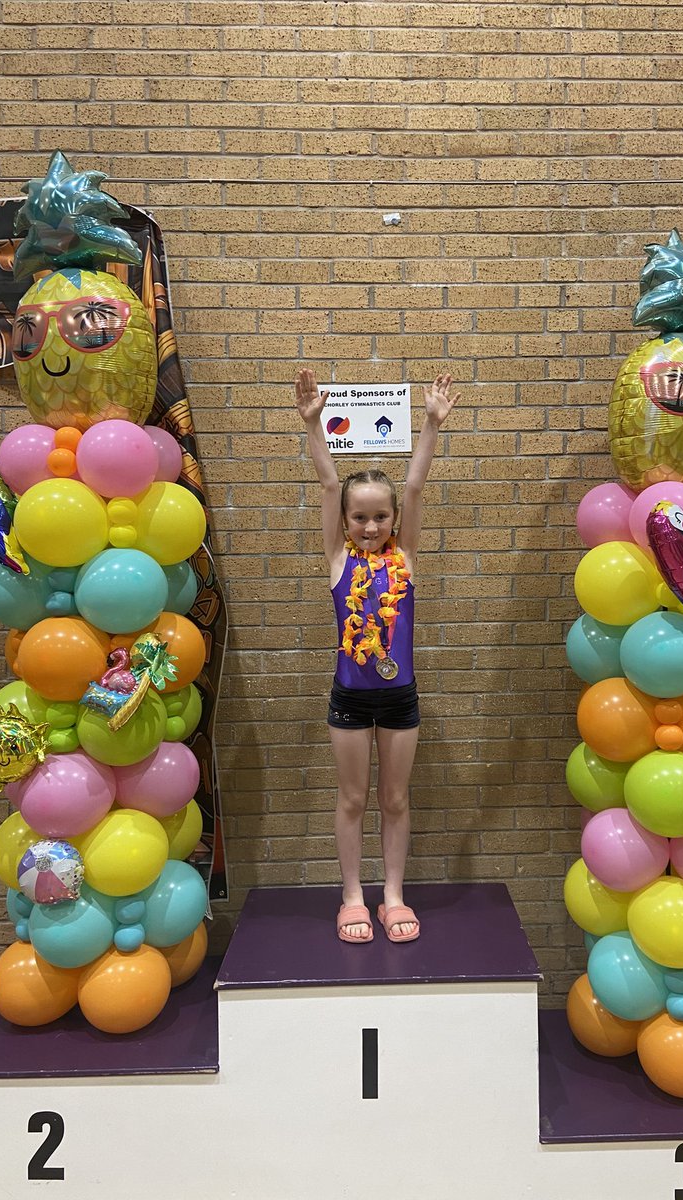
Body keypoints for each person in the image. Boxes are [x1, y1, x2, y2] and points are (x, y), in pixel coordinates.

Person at [294, 368, 459, 944]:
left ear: (394, 521)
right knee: (353, 798)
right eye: (359, 517)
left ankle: (392, 895)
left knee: (394, 798)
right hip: (349, 697)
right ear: (344, 523)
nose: (371, 526)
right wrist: (314, 424)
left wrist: (431, 428)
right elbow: (326, 483)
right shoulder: (339, 563)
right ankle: (351, 898)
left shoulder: (405, 561)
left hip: (399, 697)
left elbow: (414, 488)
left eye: (380, 517)